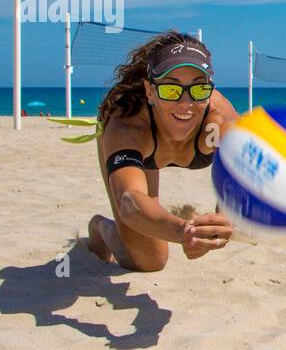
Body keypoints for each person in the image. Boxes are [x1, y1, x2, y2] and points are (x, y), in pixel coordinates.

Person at [86, 32, 239, 272]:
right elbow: (129, 199)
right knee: (150, 261)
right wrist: (183, 231)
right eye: (171, 89)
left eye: (198, 89)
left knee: (149, 252)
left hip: (155, 141)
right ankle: (101, 228)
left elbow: (236, 176)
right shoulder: (128, 124)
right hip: (143, 144)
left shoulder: (218, 121)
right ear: (150, 90)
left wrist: (224, 217)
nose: (185, 103)